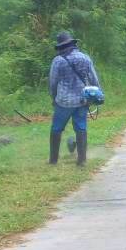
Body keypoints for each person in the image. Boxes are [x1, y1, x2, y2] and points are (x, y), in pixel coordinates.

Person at [48, 31, 100, 167]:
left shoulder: (58, 61)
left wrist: (54, 98)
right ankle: (81, 160)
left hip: (64, 101)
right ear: (73, 44)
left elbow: (52, 82)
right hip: (82, 100)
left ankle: (53, 160)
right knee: (81, 127)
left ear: (61, 47)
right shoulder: (85, 58)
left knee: (56, 129)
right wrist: (95, 95)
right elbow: (94, 79)